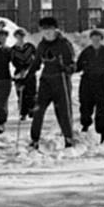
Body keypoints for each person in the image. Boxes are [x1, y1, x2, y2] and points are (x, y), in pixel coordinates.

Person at [29, 14, 77, 148]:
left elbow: (73, 64)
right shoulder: (41, 45)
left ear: (55, 29)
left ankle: (68, 138)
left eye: (49, 29)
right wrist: (27, 78)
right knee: (38, 110)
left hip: (61, 80)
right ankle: (34, 139)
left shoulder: (64, 44)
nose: (47, 32)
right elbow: (36, 64)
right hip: (46, 81)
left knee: (63, 111)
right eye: (44, 30)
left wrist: (67, 68)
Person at [76, 27, 104, 141]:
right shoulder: (86, 51)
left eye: (98, 39)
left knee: (101, 106)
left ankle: (102, 130)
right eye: (93, 39)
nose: (96, 41)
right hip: (87, 80)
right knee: (85, 103)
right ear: (91, 39)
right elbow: (78, 66)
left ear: (101, 40)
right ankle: (85, 124)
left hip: (101, 80)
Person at [9, 29, 38, 122]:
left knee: (32, 92)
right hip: (19, 73)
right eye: (18, 36)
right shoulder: (13, 50)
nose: (20, 38)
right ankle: (23, 112)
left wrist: (30, 69)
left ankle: (32, 110)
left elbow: (36, 59)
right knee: (21, 94)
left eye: (22, 36)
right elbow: (11, 61)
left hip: (30, 72)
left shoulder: (30, 47)